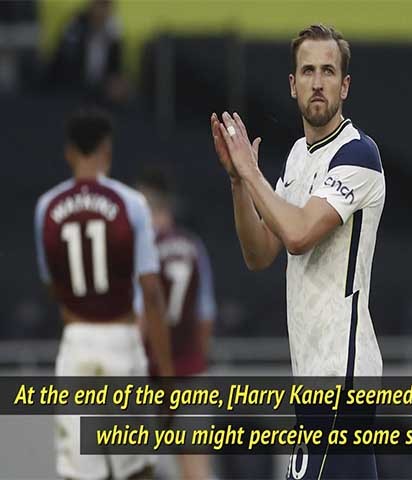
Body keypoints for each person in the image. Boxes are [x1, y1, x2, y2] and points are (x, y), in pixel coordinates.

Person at [211, 24, 384, 479]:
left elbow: (298, 234)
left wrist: (252, 174)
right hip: (313, 373)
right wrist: (238, 182)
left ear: (345, 85)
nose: (318, 81)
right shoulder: (297, 157)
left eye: (329, 71)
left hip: (341, 373)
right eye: (308, 71)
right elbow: (260, 253)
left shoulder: (358, 155)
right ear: (292, 84)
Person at [34, 108, 173, 479]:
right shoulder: (131, 204)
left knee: (80, 472)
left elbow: (53, 285)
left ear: (69, 152)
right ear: (107, 150)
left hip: (76, 341)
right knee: (137, 470)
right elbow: (152, 293)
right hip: (121, 339)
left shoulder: (47, 207)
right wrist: (166, 374)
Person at [135, 169, 216, 480]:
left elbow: (142, 317)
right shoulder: (194, 246)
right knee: (196, 470)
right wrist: (196, 361)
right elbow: (205, 314)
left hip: (152, 374)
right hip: (191, 372)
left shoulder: (143, 251)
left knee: (139, 467)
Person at [48, 0, 129, 104]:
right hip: (70, 86)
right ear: (91, 6)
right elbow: (64, 64)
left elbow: (116, 67)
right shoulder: (75, 26)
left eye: (107, 7)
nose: (103, 12)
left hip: (100, 88)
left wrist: (115, 82)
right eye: (100, 6)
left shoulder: (113, 31)